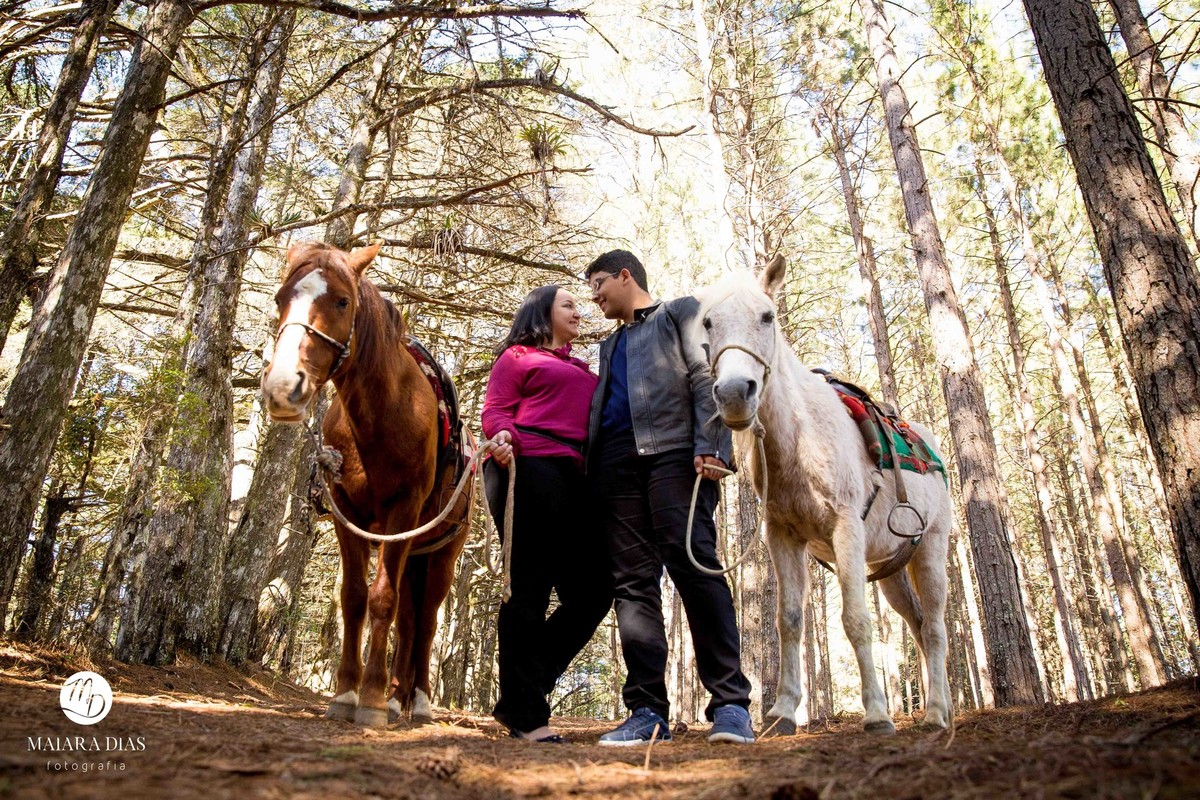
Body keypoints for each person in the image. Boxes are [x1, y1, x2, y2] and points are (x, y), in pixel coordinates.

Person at [585, 249, 755, 745]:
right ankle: (646, 711)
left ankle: (729, 705)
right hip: (616, 469)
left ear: (624, 275)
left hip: (676, 455)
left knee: (693, 564)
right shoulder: (608, 347)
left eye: (598, 282)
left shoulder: (680, 312)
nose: (594, 294)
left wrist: (712, 445)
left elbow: (704, 378)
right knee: (633, 584)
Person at [481, 284, 614, 743]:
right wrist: (500, 439)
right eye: (569, 305)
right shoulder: (516, 357)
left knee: (595, 591)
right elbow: (496, 410)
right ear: (543, 313)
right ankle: (527, 716)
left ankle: (524, 690)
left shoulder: (582, 368)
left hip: (577, 476)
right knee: (529, 590)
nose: (580, 311)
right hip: (527, 467)